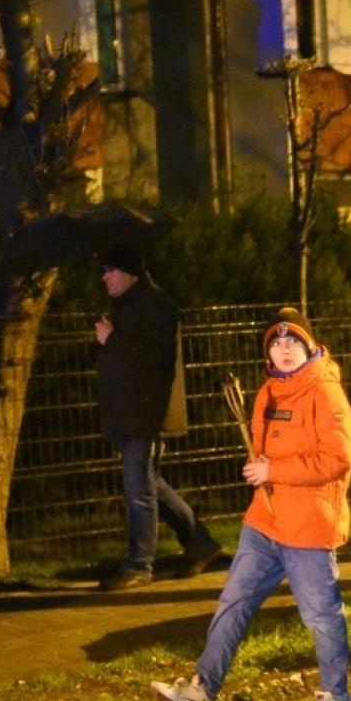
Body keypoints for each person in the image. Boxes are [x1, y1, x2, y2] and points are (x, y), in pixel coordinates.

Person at [153, 309, 351, 701]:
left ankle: (336, 699)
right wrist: (261, 465)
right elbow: (270, 452)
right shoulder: (268, 392)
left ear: (308, 347)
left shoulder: (324, 391)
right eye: (276, 343)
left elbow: (340, 457)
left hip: (308, 525)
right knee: (234, 602)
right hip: (265, 521)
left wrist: (273, 471)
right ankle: (202, 690)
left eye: (292, 343)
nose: (283, 350)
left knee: (321, 616)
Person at [95, 245, 221, 590]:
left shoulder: (154, 305)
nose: (104, 276)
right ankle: (200, 543)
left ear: (129, 271)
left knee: (138, 488)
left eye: (110, 269)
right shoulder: (129, 306)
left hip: (146, 411)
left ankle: (139, 565)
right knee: (148, 484)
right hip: (132, 411)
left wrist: (112, 339)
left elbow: (153, 357)